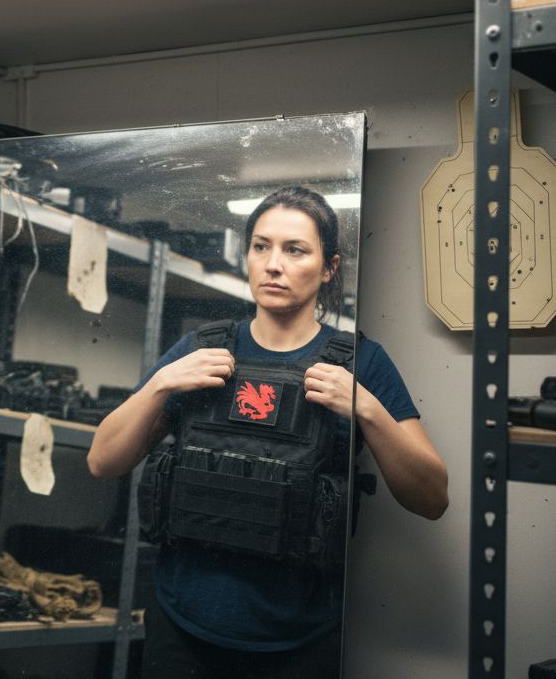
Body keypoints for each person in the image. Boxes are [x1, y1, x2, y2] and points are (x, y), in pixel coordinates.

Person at [87, 186, 447, 678]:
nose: (273, 264)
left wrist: (366, 408)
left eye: (294, 249)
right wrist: (160, 384)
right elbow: (102, 462)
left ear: (328, 268)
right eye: (261, 246)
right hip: (180, 628)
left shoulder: (363, 363)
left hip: (300, 642)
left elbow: (432, 498)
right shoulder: (199, 350)